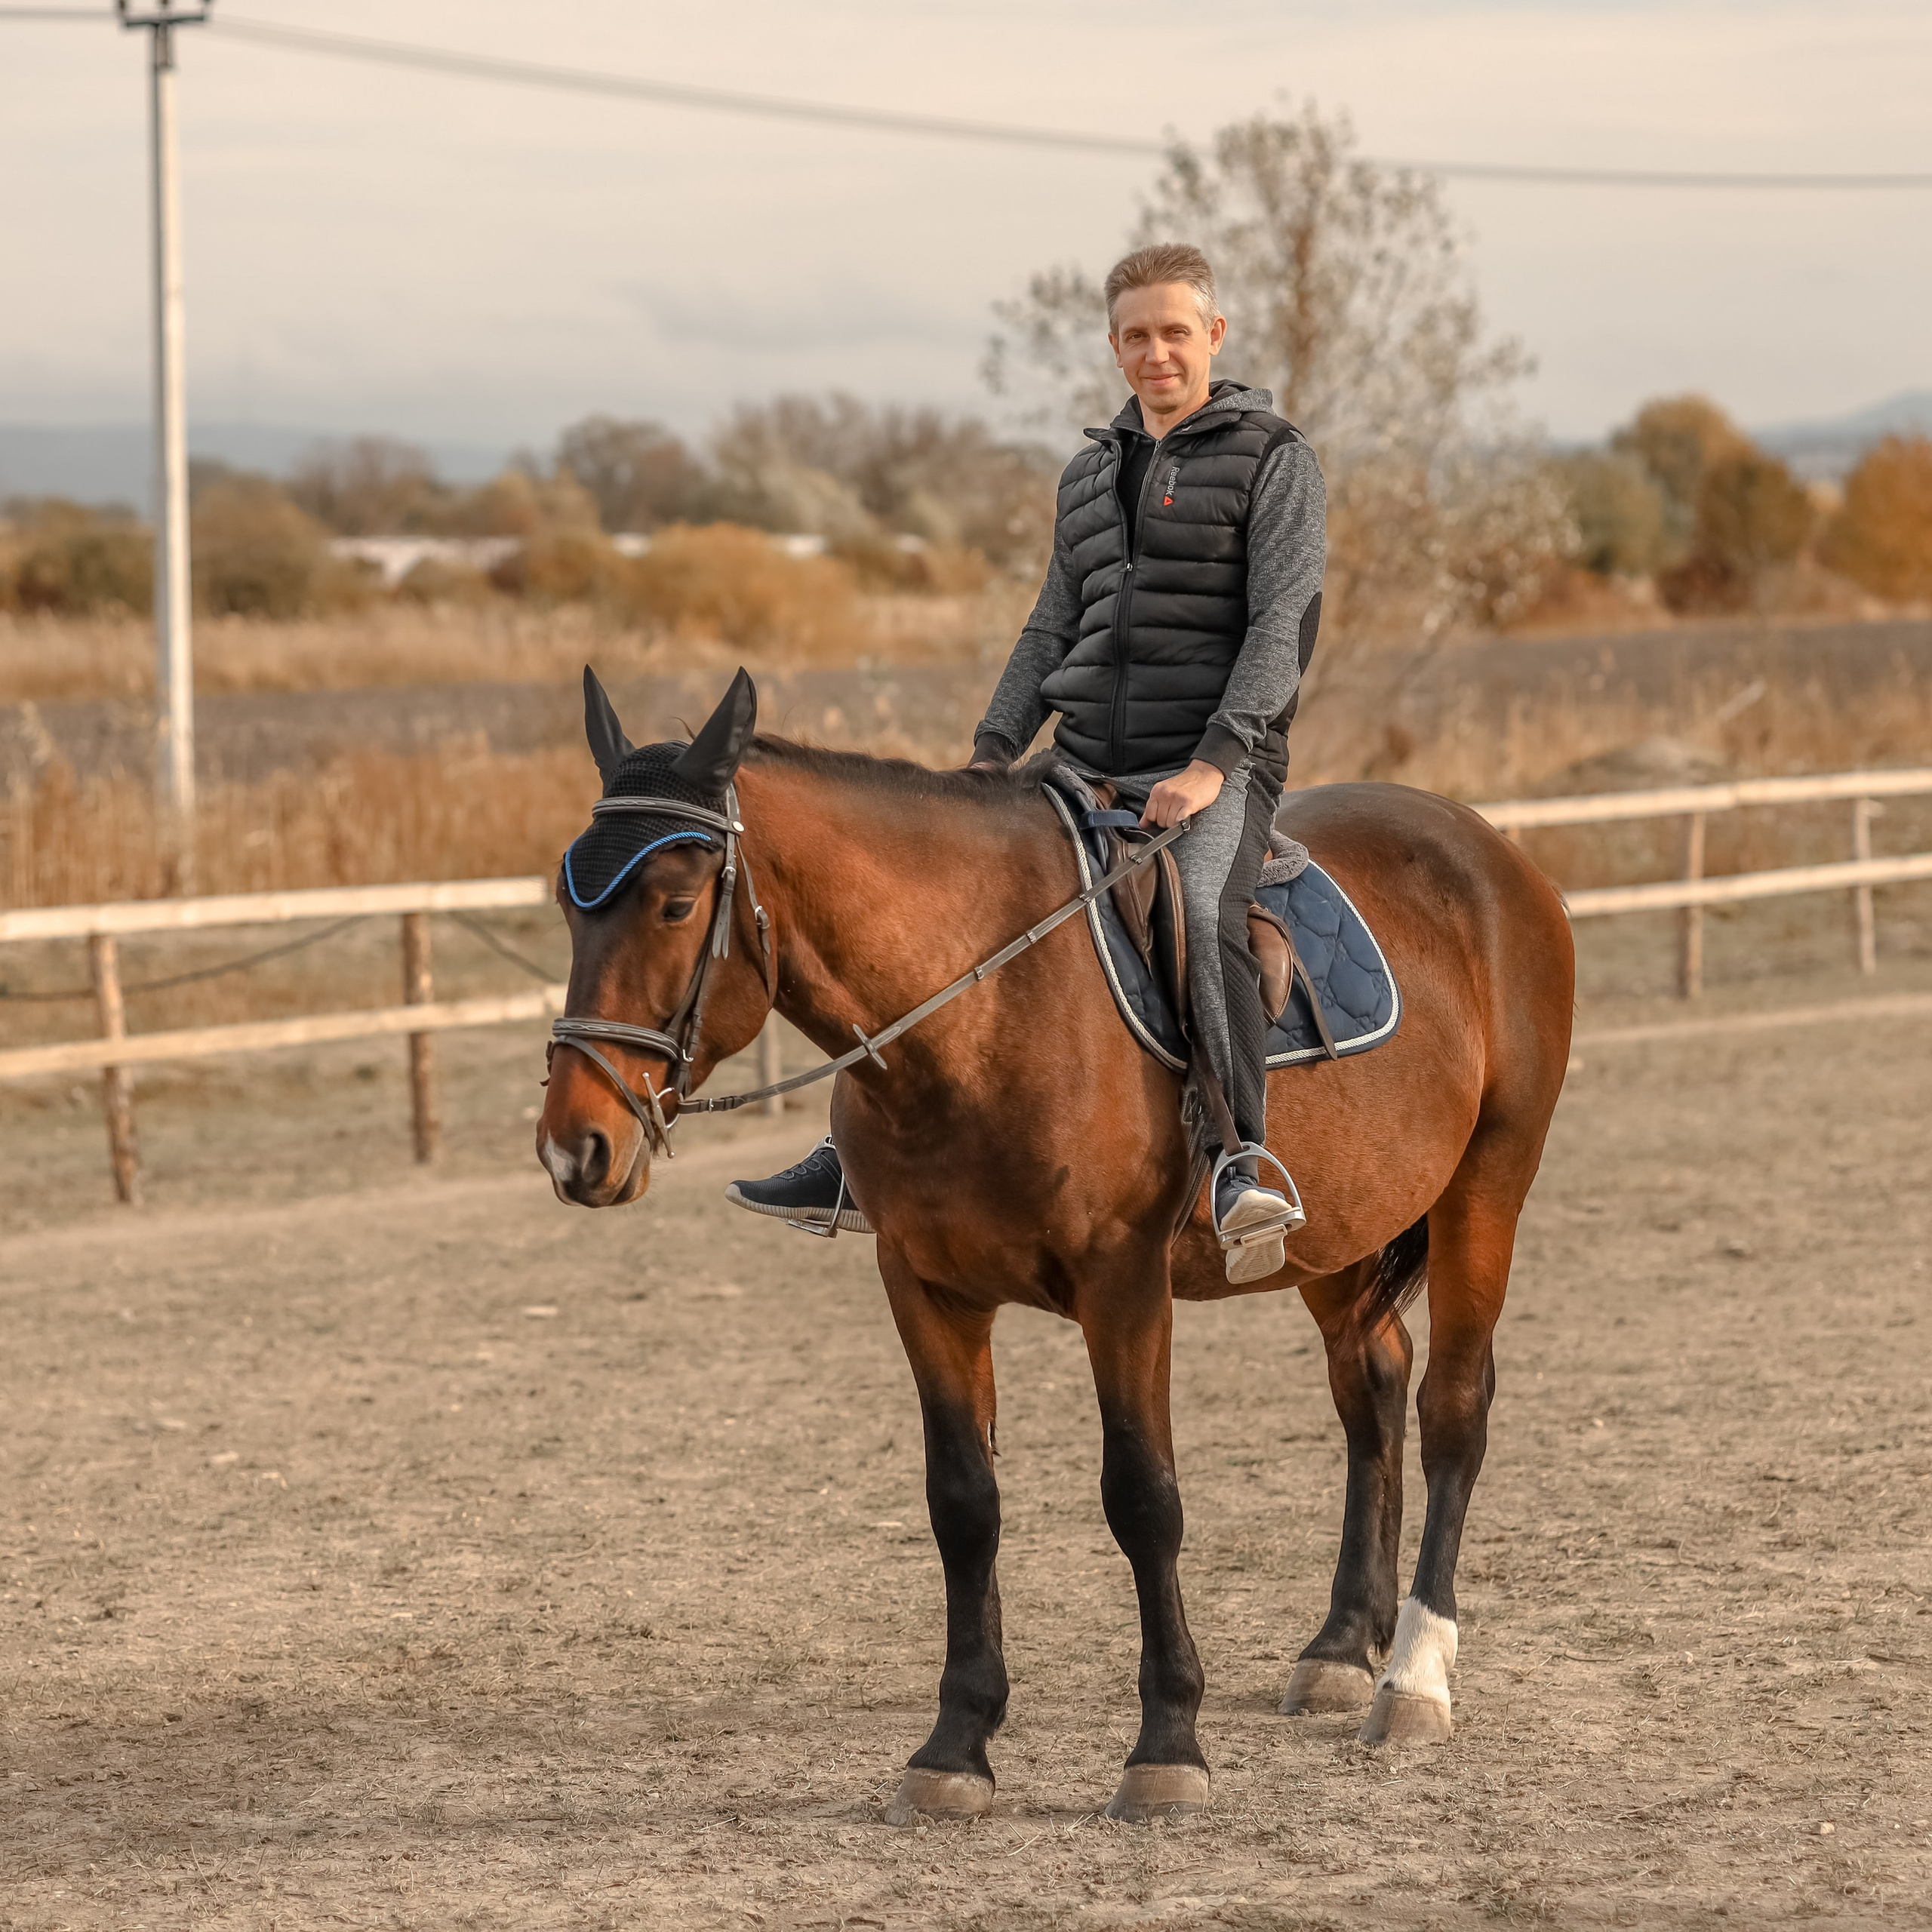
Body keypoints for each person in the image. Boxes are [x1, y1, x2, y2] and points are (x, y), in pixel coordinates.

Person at [726, 242, 1327, 1283]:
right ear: (1114, 347)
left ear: (1214, 337)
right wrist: (992, 751)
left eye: (1175, 332)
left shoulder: (1277, 459)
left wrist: (1216, 762)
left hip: (1211, 761)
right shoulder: (1089, 474)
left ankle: (1239, 1156)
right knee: (927, 898)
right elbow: (1052, 624)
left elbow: (1284, 626)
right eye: (1136, 336)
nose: (1156, 353)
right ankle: (851, 1158)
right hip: (1078, 754)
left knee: (1194, 901)